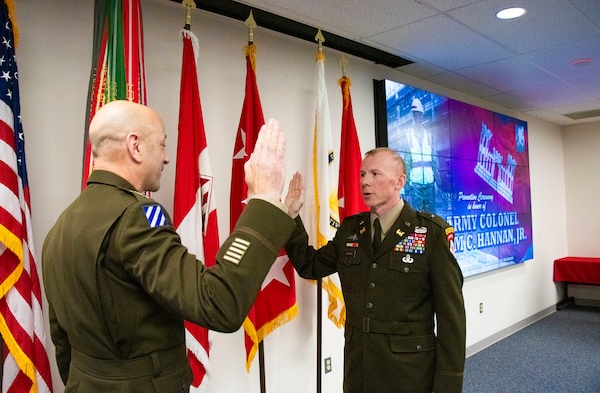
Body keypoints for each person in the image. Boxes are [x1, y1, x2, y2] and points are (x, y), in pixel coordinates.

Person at [42, 100, 296, 392]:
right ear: (135, 146)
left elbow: (64, 346)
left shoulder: (59, 229)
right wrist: (263, 198)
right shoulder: (135, 217)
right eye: (162, 145)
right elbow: (218, 303)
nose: (166, 158)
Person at [284, 147, 466, 393]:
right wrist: (292, 216)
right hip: (359, 369)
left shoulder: (431, 234)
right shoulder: (350, 230)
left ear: (399, 181)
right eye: (362, 174)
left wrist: (448, 385)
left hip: (410, 373)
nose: (365, 182)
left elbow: (451, 319)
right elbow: (310, 265)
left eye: (375, 174)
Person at [404, 97, 437, 213]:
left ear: (422, 115)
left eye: (419, 114)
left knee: (431, 216)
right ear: (413, 116)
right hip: (416, 184)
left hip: (429, 183)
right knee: (417, 216)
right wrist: (407, 183)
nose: (418, 117)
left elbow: (433, 159)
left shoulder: (429, 135)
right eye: (416, 114)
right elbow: (407, 161)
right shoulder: (408, 136)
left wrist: (436, 178)